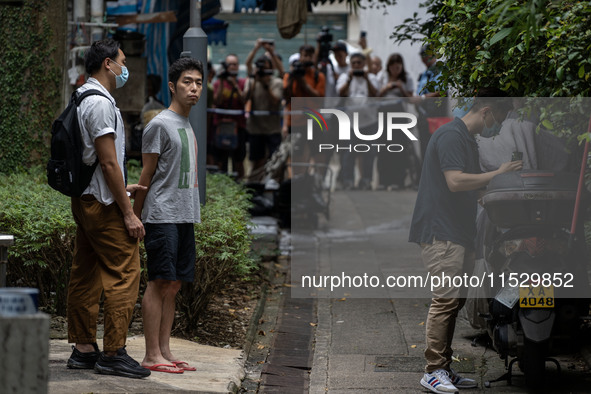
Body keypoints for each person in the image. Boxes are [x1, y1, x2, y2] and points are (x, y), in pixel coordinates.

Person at [408, 88, 523, 394]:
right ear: (486, 112)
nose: (499, 125)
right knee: (445, 301)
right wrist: (497, 172)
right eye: (499, 117)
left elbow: (472, 189)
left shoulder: (466, 140)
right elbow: (456, 181)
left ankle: (443, 368)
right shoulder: (452, 136)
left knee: (456, 301)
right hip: (440, 232)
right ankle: (432, 372)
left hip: (458, 231)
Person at [65, 38, 150, 379]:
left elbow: (98, 163)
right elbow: (108, 161)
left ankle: (84, 349)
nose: (124, 68)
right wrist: (128, 211)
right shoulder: (99, 103)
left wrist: (118, 187)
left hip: (86, 198)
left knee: (85, 273)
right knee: (125, 271)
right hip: (102, 204)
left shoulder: (82, 96)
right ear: (107, 64)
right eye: (122, 61)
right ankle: (114, 352)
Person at [133, 57, 204, 374]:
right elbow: (145, 177)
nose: (194, 88)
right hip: (161, 215)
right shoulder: (159, 124)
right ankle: (150, 355)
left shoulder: (187, 125)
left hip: (184, 215)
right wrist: (133, 218)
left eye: (199, 82)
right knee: (160, 282)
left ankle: (164, 350)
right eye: (188, 82)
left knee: (174, 285)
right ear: (173, 86)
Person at [336, 52, 378, 190]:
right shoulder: (344, 77)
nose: (356, 66)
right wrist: (349, 79)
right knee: (349, 153)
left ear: (364, 64)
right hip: (351, 122)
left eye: (358, 63)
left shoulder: (371, 77)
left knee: (369, 153)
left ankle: (366, 180)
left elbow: (375, 94)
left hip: (369, 121)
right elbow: (341, 93)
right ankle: (348, 180)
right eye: (353, 63)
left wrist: (366, 79)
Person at [377, 53, 414, 190]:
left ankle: (398, 180)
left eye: (398, 66)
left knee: (398, 148)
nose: (395, 69)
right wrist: (386, 88)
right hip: (383, 115)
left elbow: (410, 98)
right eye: (393, 66)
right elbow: (375, 96)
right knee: (383, 148)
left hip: (399, 117)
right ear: (389, 66)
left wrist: (400, 88)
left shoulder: (407, 78)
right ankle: (383, 180)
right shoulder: (382, 76)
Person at [244, 55, 283, 179]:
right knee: (256, 161)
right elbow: (245, 99)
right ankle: (255, 187)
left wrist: (266, 85)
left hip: (273, 129)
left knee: (275, 161)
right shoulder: (251, 82)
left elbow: (275, 101)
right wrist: (255, 80)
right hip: (256, 129)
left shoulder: (276, 82)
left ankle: (273, 186)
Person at [213, 54, 247, 179]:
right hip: (221, 127)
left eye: (234, 64)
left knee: (238, 160)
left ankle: (240, 186)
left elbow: (244, 100)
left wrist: (235, 86)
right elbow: (217, 101)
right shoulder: (218, 83)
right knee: (221, 160)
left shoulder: (242, 82)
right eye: (229, 64)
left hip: (239, 127)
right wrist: (222, 81)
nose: (232, 67)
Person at [413, 45, 448, 159]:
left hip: (435, 114)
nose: (424, 58)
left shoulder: (439, 70)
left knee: (435, 150)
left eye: (426, 54)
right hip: (423, 115)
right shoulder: (424, 73)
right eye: (422, 56)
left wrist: (423, 98)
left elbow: (441, 92)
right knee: (425, 149)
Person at [282, 44, 326, 137]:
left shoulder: (318, 76)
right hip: (294, 122)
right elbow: (286, 98)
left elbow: (319, 98)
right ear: (300, 57)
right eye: (305, 55)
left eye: (310, 56)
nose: (307, 59)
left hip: (313, 122)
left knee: (315, 151)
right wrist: (293, 79)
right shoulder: (289, 76)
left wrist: (305, 85)